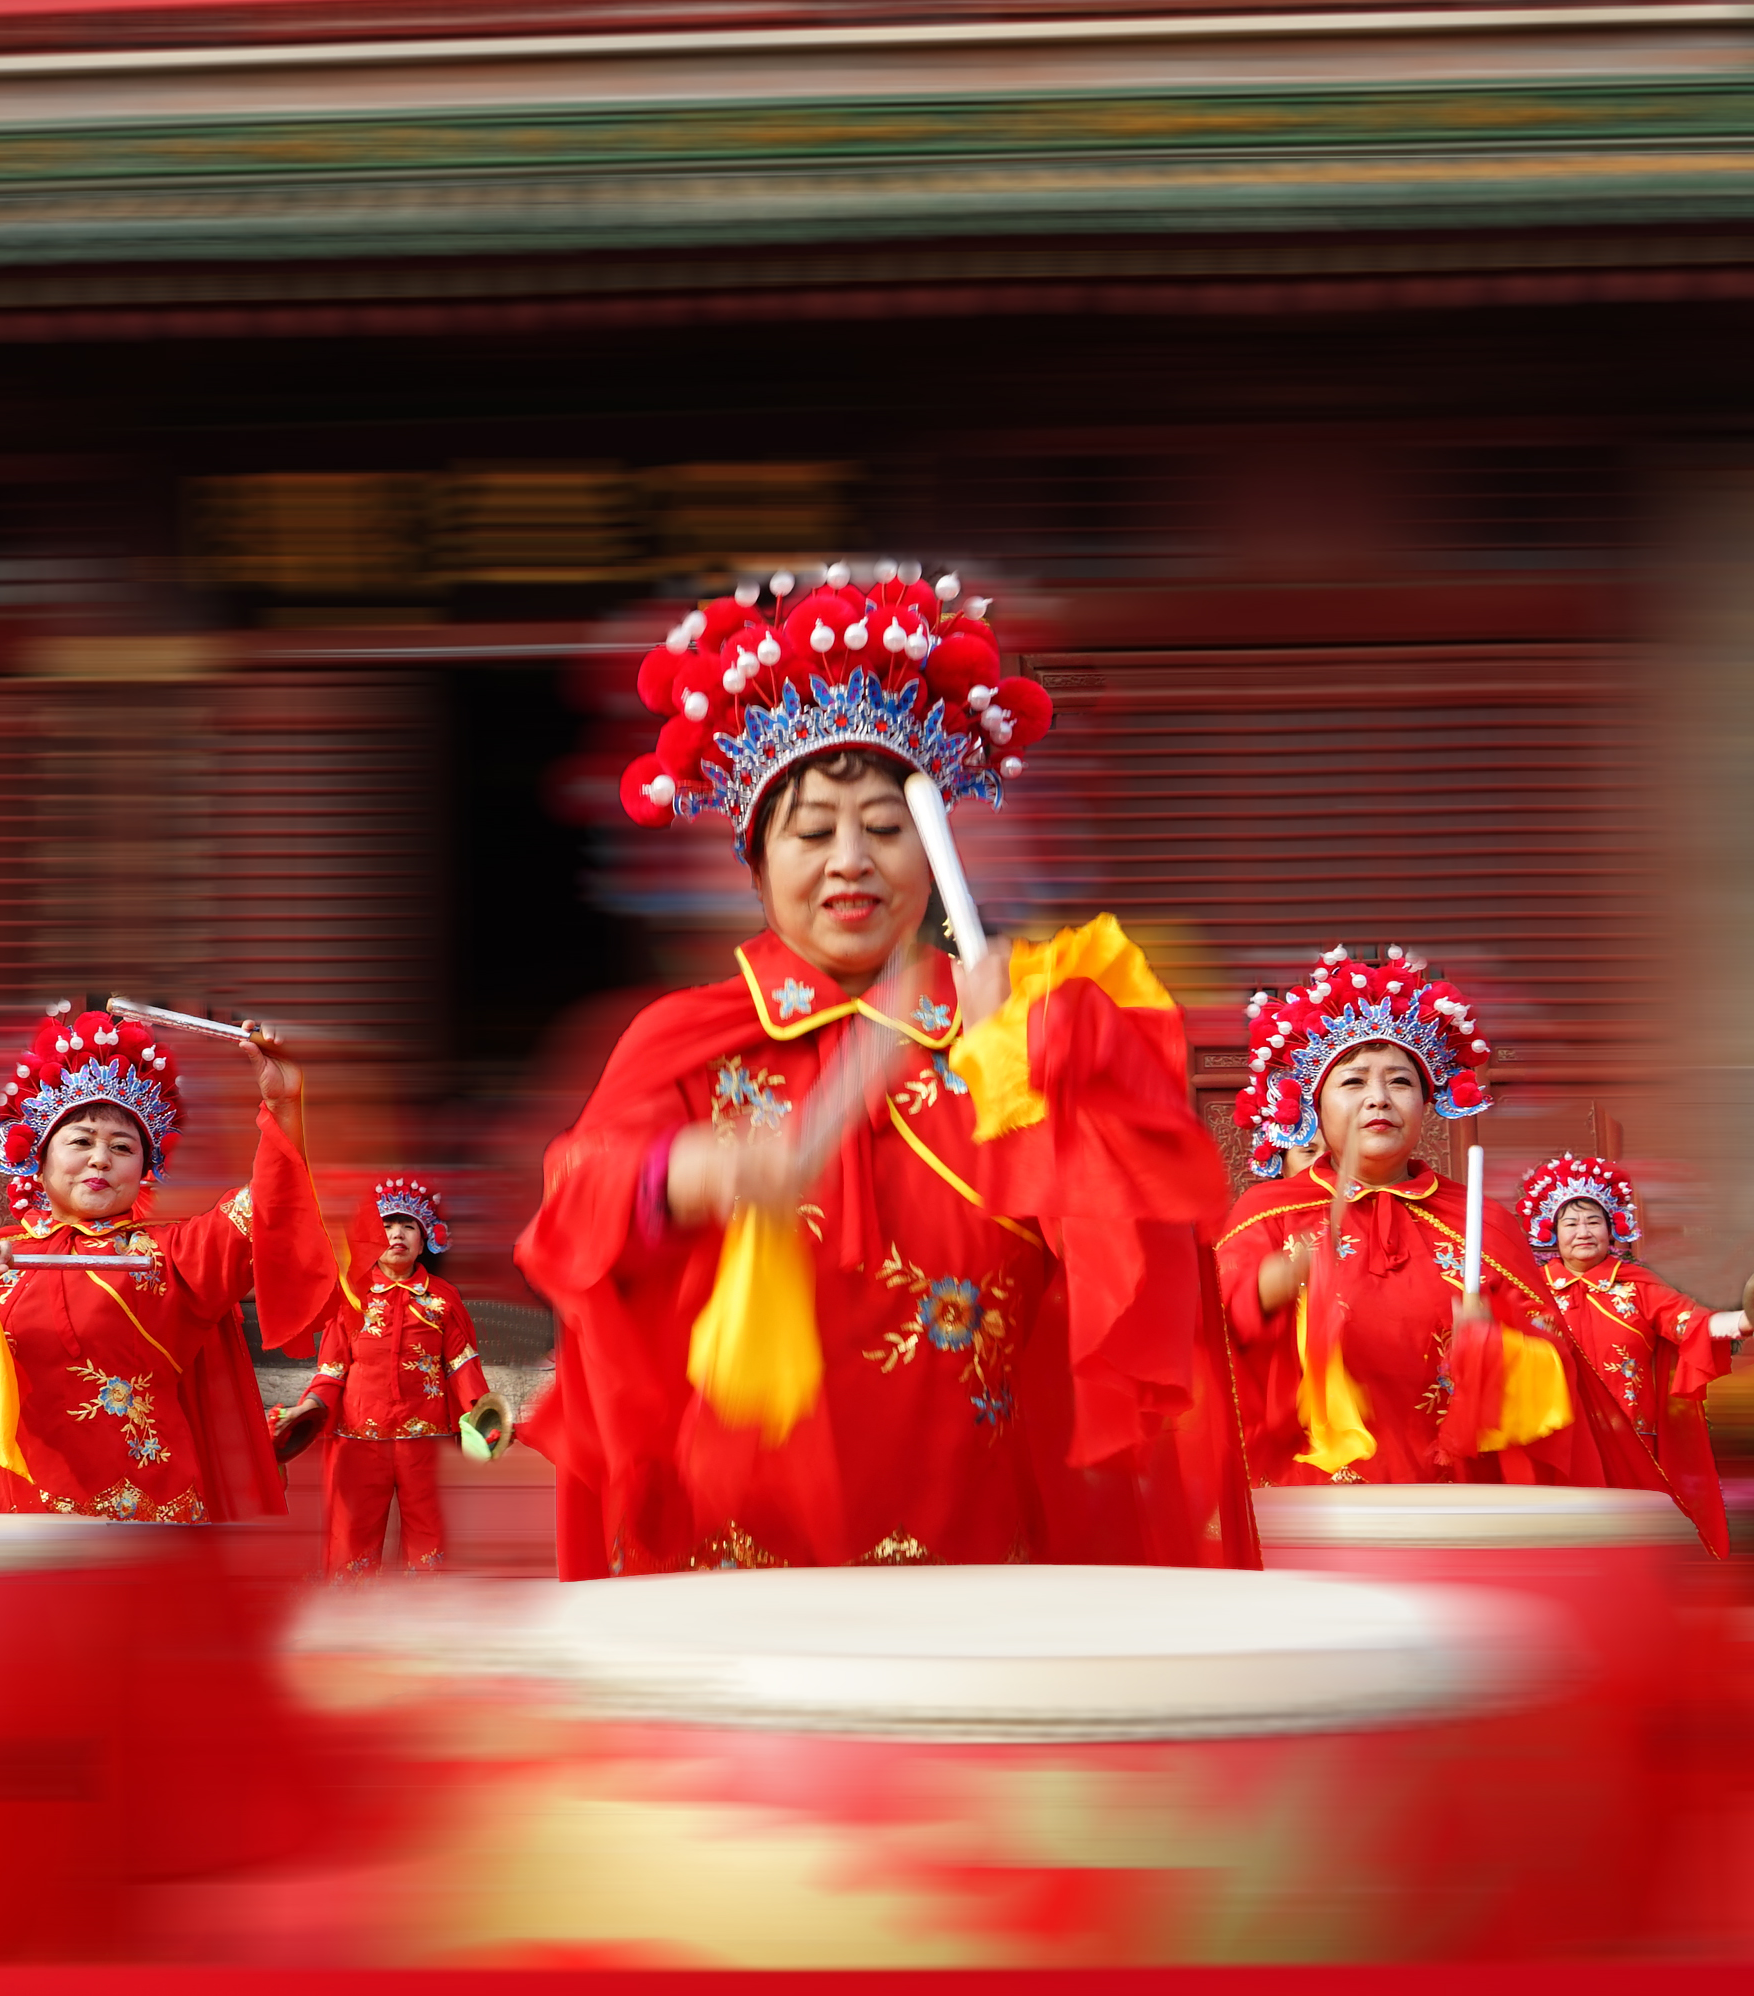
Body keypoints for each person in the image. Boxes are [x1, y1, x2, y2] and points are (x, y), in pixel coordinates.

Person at [519, 563, 1248, 1576]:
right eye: (813, 832)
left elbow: (1131, 1251)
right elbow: (575, 1198)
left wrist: (1054, 1073)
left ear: (938, 851)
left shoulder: (1022, 1021)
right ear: (759, 861)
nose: (852, 860)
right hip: (740, 1545)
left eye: (889, 829)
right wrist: (689, 1173)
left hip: (974, 1528)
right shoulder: (689, 1035)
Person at [1211, 948, 1723, 1549]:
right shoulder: (1270, 1212)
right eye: (1353, 1082)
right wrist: (1283, 1278)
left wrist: (1500, 1345)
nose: (1379, 1098)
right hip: (1313, 1491)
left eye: (1400, 1081)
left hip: (1455, 1492)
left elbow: (1553, 1361)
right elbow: (1212, 1331)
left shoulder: (1481, 1221)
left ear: (1427, 1105)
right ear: (1314, 1109)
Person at [0, 1002, 325, 1521]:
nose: (100, 1158)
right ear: (39, 1161)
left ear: (144, 1169)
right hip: (18, 1510)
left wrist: (284, 1104)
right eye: (81, 1141)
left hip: (148, 1509)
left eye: (122, 1146)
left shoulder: (170, 1254)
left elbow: (272, 1208)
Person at [279, 1176, 505, 1574]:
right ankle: (353, 1620)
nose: (396, 1235)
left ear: (424, 1240)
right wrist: (307, 1409)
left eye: (408, 1226)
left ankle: (424, 1621)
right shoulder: (350, 1294)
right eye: (386, 1225)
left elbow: (461, 1364)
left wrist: (483, 1417)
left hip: (426, 1440)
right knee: (352, 1541)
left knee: (429, 1539)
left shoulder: (442, 1297)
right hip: (358, 1438)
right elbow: (331, 1370)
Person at [1526, 1154, 1750, 1502]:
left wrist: (1746, 1320)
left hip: (1631, 1438)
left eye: (1593, 1222)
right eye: (1571, 1224)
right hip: (1558, 1438)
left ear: (1611, 1228)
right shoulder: (1530, 1291)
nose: (1583, 1232)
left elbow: (1693, 1323)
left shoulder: (1639, 1287)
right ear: (1552, 1233)